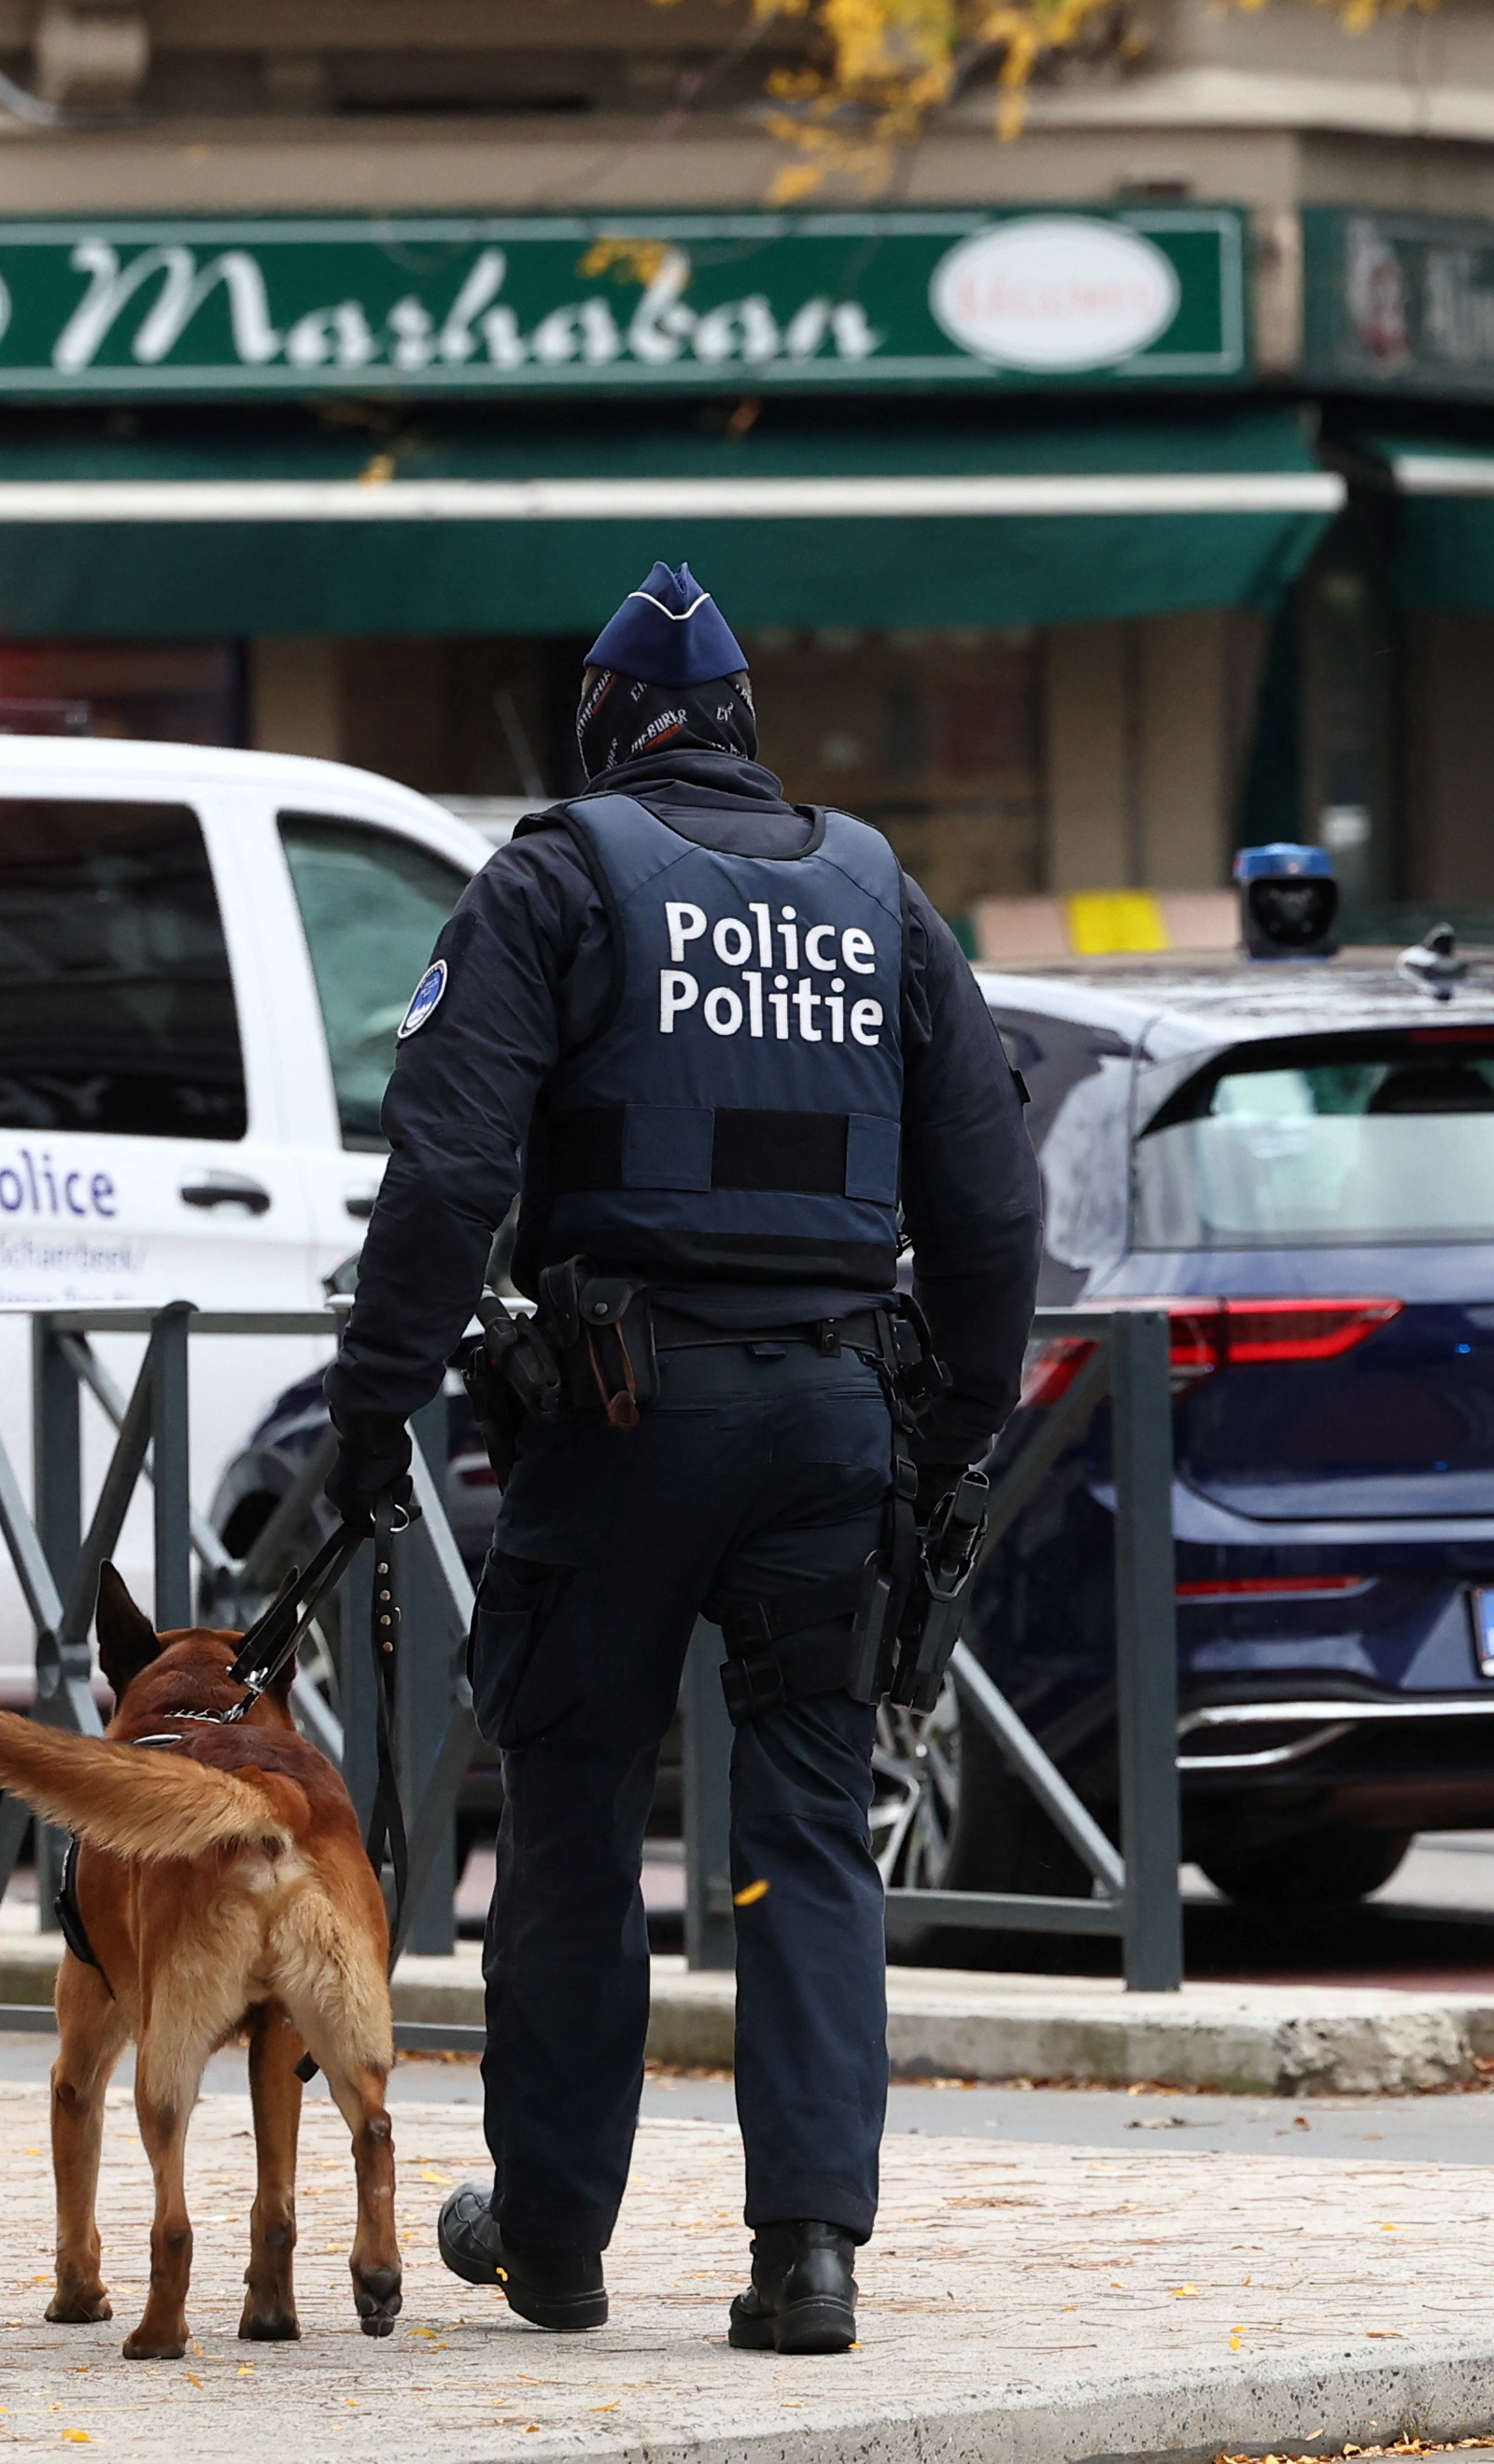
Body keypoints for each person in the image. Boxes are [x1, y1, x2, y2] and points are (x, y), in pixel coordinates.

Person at [314, 562, 1043, 2357]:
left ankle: (555, 2236)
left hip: (624, 1425)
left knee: (567, 1818)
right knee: (808, 1828)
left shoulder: (559, 876)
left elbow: (449, 1168)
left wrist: (370, 1408)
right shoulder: (878, 894)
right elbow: (991, 1200)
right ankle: (810, 2257)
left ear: (609, 728)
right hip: (830, 1422)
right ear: (739, 732)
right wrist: (945, 1437)